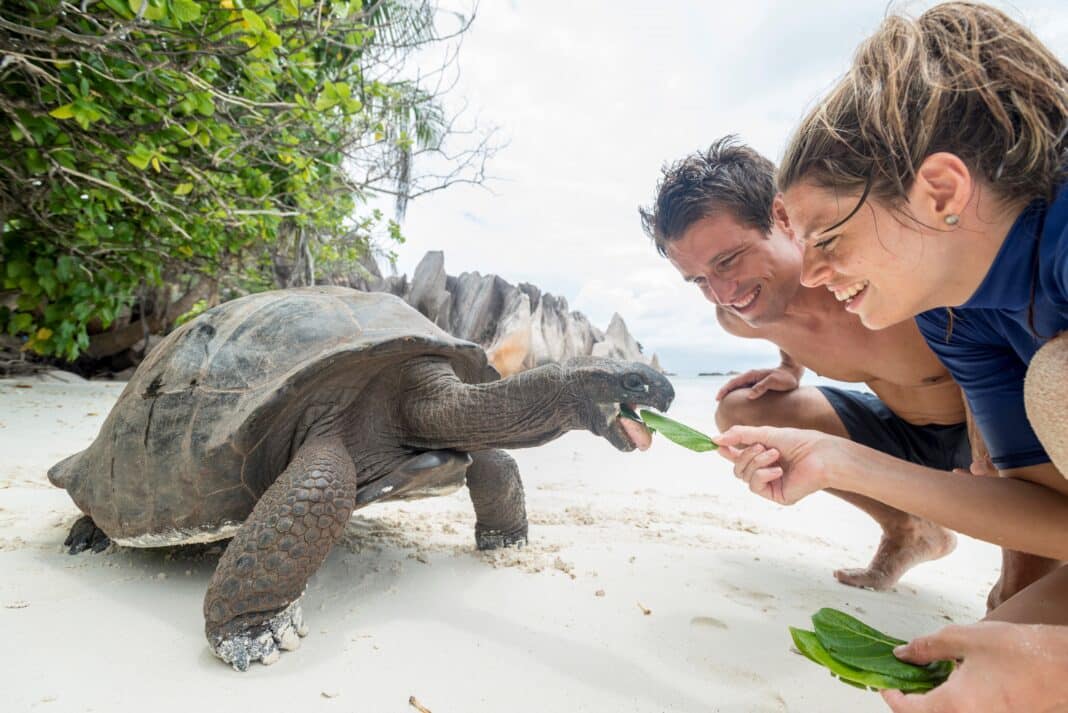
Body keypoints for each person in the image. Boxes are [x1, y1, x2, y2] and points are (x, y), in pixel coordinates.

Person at [713, 3, 1068, 710]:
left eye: (829, 238)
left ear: (941, 192)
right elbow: (1053, 514)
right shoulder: (952, 313)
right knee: (964, 666)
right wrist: (837, 460)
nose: (810, 275)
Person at [639, 138, 1005, 594]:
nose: (721, 292)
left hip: (992, 421)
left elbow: (992, 337)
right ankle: (910, 530)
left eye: (728, 261)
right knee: (741, 411)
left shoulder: (872, 270)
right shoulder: (740, 318)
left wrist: (992, 432)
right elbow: (790, 327)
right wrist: (790, 368)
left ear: (783, 218)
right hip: (901, 430)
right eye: (698, 280)